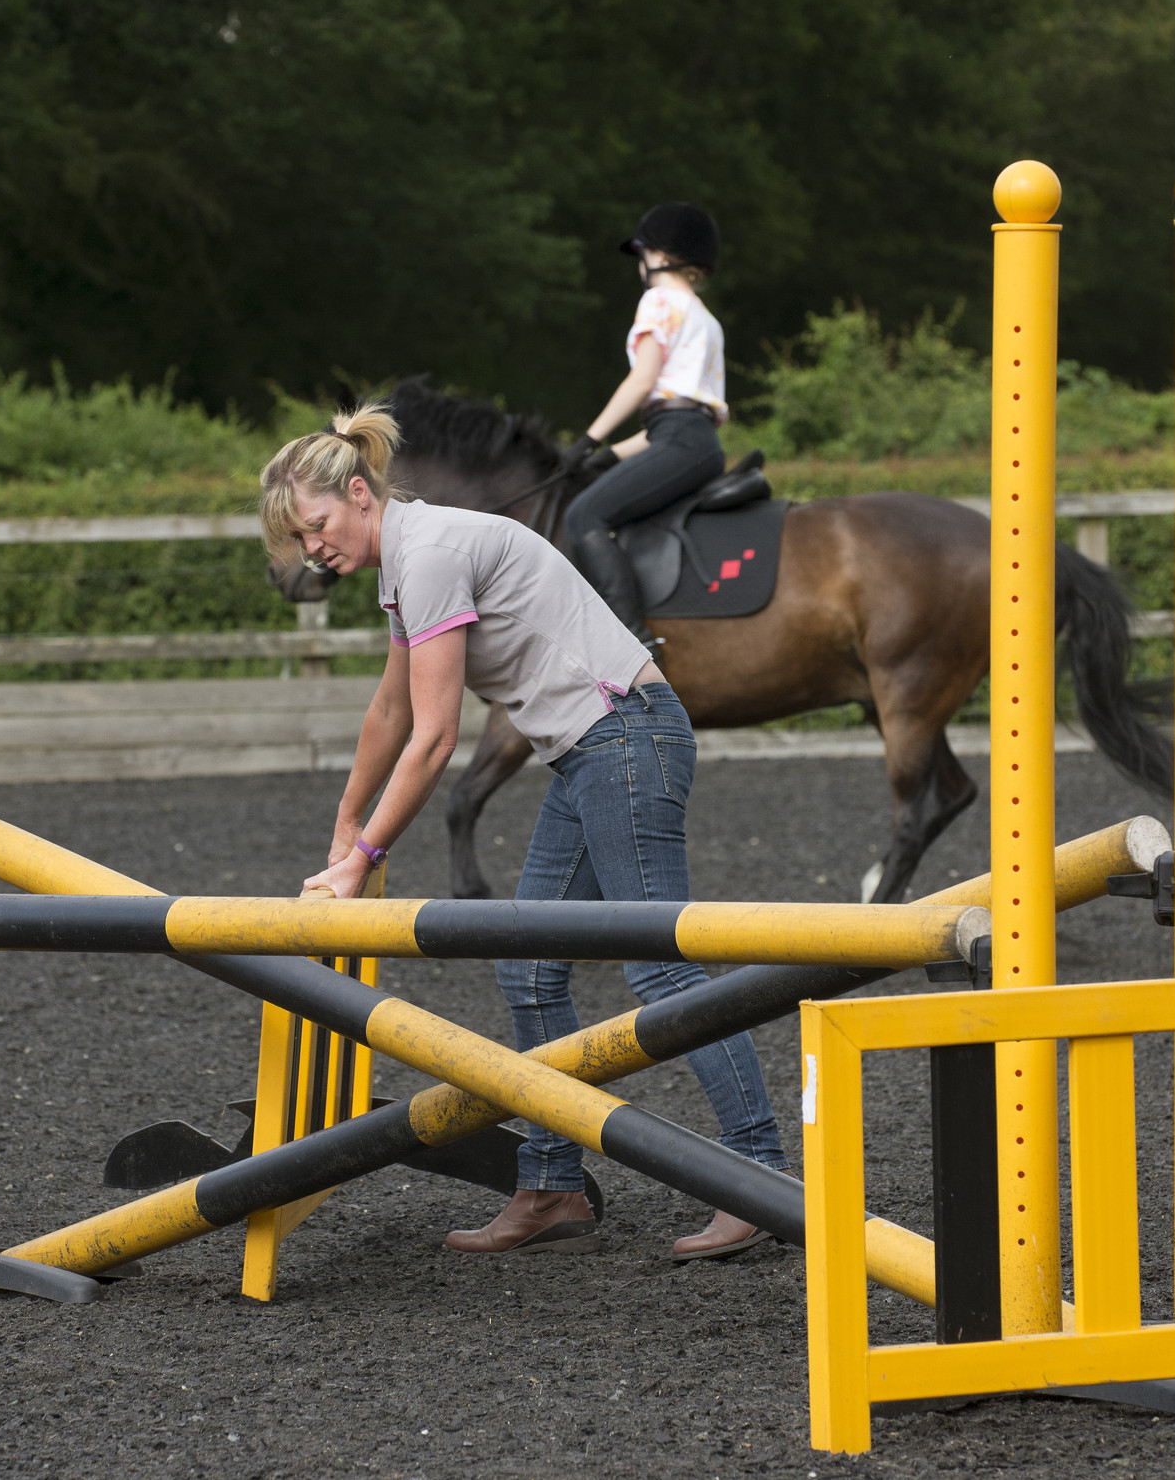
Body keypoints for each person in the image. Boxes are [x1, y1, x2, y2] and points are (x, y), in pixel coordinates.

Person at [259, 400, 789, 1261]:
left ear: (359, 494)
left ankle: (762, 1179)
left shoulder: (427, 554)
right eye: (298, 540)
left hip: (625, 738)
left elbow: (433, 738)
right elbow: (390, 709)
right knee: (531, 967)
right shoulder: (412, 556)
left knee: (660, 968)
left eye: (315, 527)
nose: (313, 549)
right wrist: (344, 822)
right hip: (594, 752)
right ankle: (551, 1186)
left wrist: (363, 859)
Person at [560, 202, 728, 657]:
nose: (640, 264)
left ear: (657, 254)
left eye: (642, 253)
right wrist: (611, 455)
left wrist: (588, 439)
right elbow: (678, 413)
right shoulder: (704, 319)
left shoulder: (658, 301)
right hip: (695, 441)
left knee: (583, 516)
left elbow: (643, 381)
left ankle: (633, 644)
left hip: (678, 439)